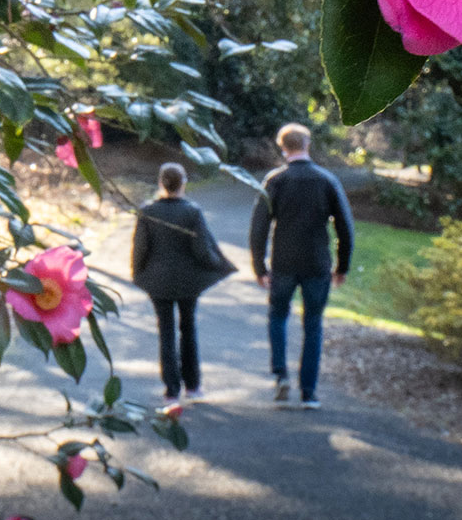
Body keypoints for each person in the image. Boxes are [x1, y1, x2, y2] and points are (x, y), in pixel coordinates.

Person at [247, 123, 353, 409]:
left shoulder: (275, 181)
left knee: (278, 317)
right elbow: (345, 227)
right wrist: (342, 267)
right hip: (317, 263)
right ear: (307, 145)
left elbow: (258, 226)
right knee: (313, 325)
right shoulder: (327, 180)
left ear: (284, 148)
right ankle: (309, 392)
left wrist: (259, 266)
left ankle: (281, 375)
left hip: (283, 263)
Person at [130, 161, 235, 408]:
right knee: (188, 329)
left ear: (160, 183)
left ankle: (171, 390)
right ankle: (193, 386)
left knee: (165, 331)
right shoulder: (192, 212)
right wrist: (219, 265)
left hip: (158, 282)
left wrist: (138, 274)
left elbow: (140, 249)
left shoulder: (148, 212)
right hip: (189, 282)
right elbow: (202, 251)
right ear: (183, 183)